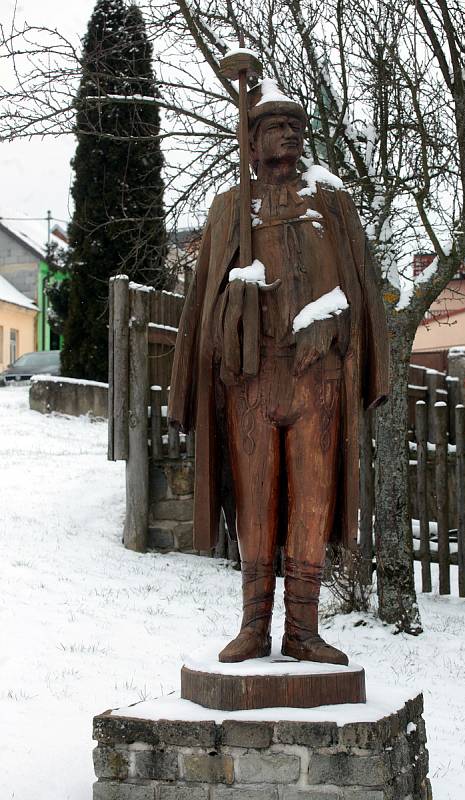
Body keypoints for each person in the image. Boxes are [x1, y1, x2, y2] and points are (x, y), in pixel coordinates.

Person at [169, 79, 389, 665]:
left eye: (295, 125)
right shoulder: (230, 208)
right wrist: (234, 306)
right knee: (256, 503)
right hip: (251, 381)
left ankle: (303, 630)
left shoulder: (331, 202)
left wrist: (333, 322)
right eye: (274, 125)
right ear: (251, 139)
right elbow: (202, 300)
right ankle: (253, 626)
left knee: (312, 501)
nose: (289, 133)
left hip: (317, 381)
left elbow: (361, 289)